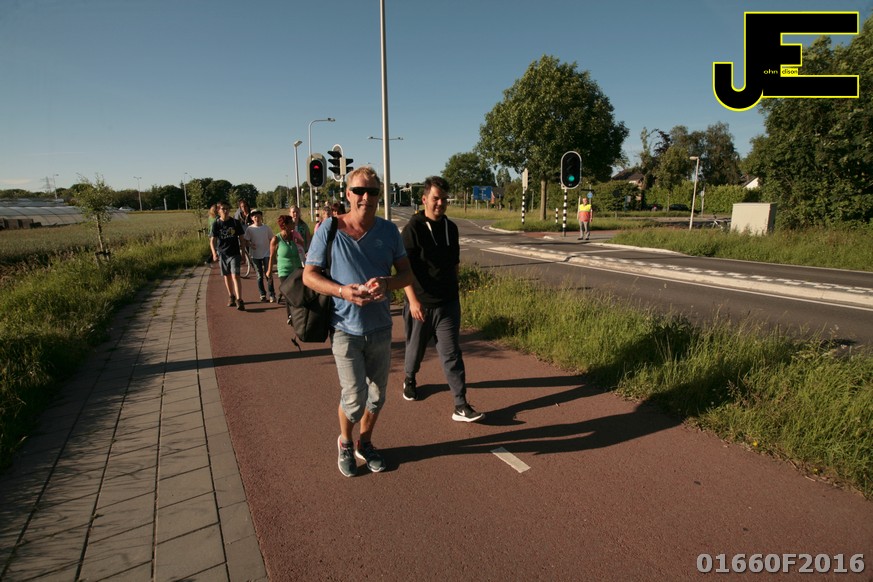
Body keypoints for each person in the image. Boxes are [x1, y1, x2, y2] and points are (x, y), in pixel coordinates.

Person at [303, 166, 412, 477]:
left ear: (380, 195)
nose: (366, 197)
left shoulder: (389, 232)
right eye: (359, 191)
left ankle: (365, 442)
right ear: (348, 194)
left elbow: (407, 275)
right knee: (354, 398)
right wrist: (343, 291)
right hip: (344, 328)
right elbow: (309, 276)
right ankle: (345, 442)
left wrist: (387, 284)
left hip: (380, 328)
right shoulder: (330, 228)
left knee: (377, 396)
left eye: (372, 191)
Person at [401, 176, 484, 423]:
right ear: (424, 199)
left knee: (451, 354)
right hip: (421, 304)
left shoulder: (451, 228)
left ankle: (460, 404)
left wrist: (453, 290)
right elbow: (404, 270)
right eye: (436, 198)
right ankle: (409, 378)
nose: (440, 203)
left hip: (448, 304)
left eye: (444, 199)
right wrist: (413, 301)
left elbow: (455, 264)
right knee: (415, 351)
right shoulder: (413, 228)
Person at [210, 202, 247, 311]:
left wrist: (243, 254)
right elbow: (212, 241)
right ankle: (231, 296)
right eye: (223, 209)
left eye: (227, 209)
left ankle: (239, 299)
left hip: (234, 253)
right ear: (218, 211)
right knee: (227, 276)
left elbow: (242, 239)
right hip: (223, 254)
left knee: (236, 276)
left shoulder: (235, 222)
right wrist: (214, 253)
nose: (225, 211)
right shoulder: (216, 224)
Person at [269, 214, 306, 316]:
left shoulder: (295, 235)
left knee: (298, 294)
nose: (294, 224)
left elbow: (303, 247)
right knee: (289, 294)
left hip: (297, 269)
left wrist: (299, 241)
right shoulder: (276, 239)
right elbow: (272, 256)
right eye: (291, 223)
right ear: (285, 225)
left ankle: (298, 315)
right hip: (284, 271)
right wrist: (269, 271)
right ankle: (290, 316)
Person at [244, 209, 276, 303]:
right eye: (255, 217)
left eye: (258, 216)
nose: (257, 218)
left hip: (266, 253)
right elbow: (246, 241)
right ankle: (262, 294)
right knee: (259, 276)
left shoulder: (266, 228)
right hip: (255, 255)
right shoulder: (250, 229)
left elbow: (272, 239)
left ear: (261, 217)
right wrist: (250, 245)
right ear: (252, 218)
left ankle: (272, 294)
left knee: (268, 274)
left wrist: (273, 250)